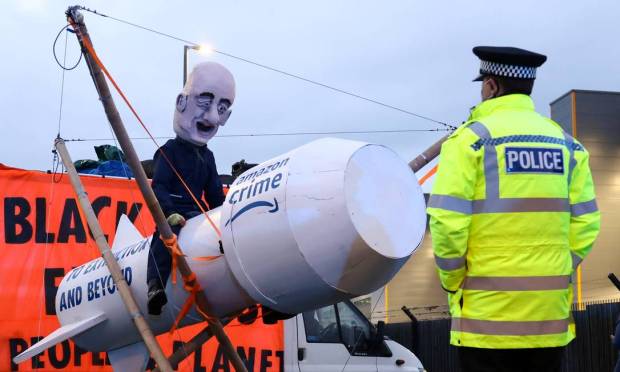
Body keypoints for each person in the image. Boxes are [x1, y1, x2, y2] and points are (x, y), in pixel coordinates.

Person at [428, 46, 601, 371]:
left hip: (486, 323)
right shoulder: (567, 145)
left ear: (491, 86)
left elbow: (446, 221)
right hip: (548, 321)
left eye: (482, 84)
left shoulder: (469, 142)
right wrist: (560, 269)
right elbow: (587, 222)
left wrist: (453, 281)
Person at [146, 62, 235, 315]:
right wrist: (169, 212)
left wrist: (224, 215)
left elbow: (215, 192)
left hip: (199, 213)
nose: (212, 117)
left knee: (223, 239)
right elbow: (160, 186)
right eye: (205, 103)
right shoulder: (168, 152)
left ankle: (233, 290)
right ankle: (155, 285)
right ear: (182, 103)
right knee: (164, 238)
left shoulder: (208, 158)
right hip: (175, 213)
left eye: (221, 108)